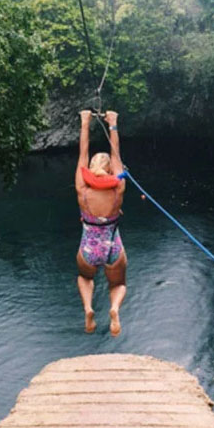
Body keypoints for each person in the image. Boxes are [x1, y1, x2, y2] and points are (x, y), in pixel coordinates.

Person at [75, 109, 127, 336]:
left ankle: (88, 308)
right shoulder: (118, 188)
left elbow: (82, 153)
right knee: (117, 284)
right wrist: (113, 124)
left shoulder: (82, 188)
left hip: (88, 245)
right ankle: (114, 309)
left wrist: (85, 122)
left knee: (86, 277)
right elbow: (116, 155)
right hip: (112, 245)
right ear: (109, 170)